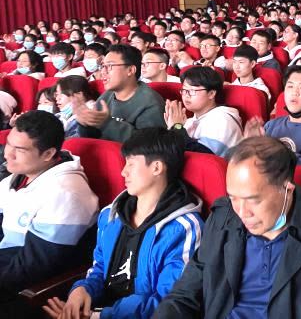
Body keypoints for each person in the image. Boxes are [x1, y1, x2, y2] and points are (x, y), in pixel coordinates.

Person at [153, 136, 301, 318]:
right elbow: (185, 293)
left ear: (287, 189)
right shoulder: (224, 216)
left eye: (253, 200)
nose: (242, 212)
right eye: (233, 198)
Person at [43, 127, 203, 319]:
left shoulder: (183, 228)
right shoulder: (110, 215)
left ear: (157, 167)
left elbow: (170, 302)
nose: (123, 172)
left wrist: (98, 316)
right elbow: (100, 268)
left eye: (131, 164)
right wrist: (83, 289)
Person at [0, 111, 99, 300]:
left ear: (48, 154)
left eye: (20, 150)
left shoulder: (66, 194)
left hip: (30, 289)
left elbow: (32, 268)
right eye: (9, 144)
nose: (8, 154)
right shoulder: (17, 177)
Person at [73, 45, 166, 143]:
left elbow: (148, 145)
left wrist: (107, 123)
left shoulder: (151, 103)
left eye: (110, 66)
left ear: (130, 70)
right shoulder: (107, 96)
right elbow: (93, 137)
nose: (103, 71)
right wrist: (85, 123)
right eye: (103, 66)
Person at [165, 67, 243, 157]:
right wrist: (172, 129)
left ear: (211, 94)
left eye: (192, 91)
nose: (186, 95)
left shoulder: (222, 119)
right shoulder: (189, 122)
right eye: (184, 90)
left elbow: (203, 156)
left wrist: (177, 127)